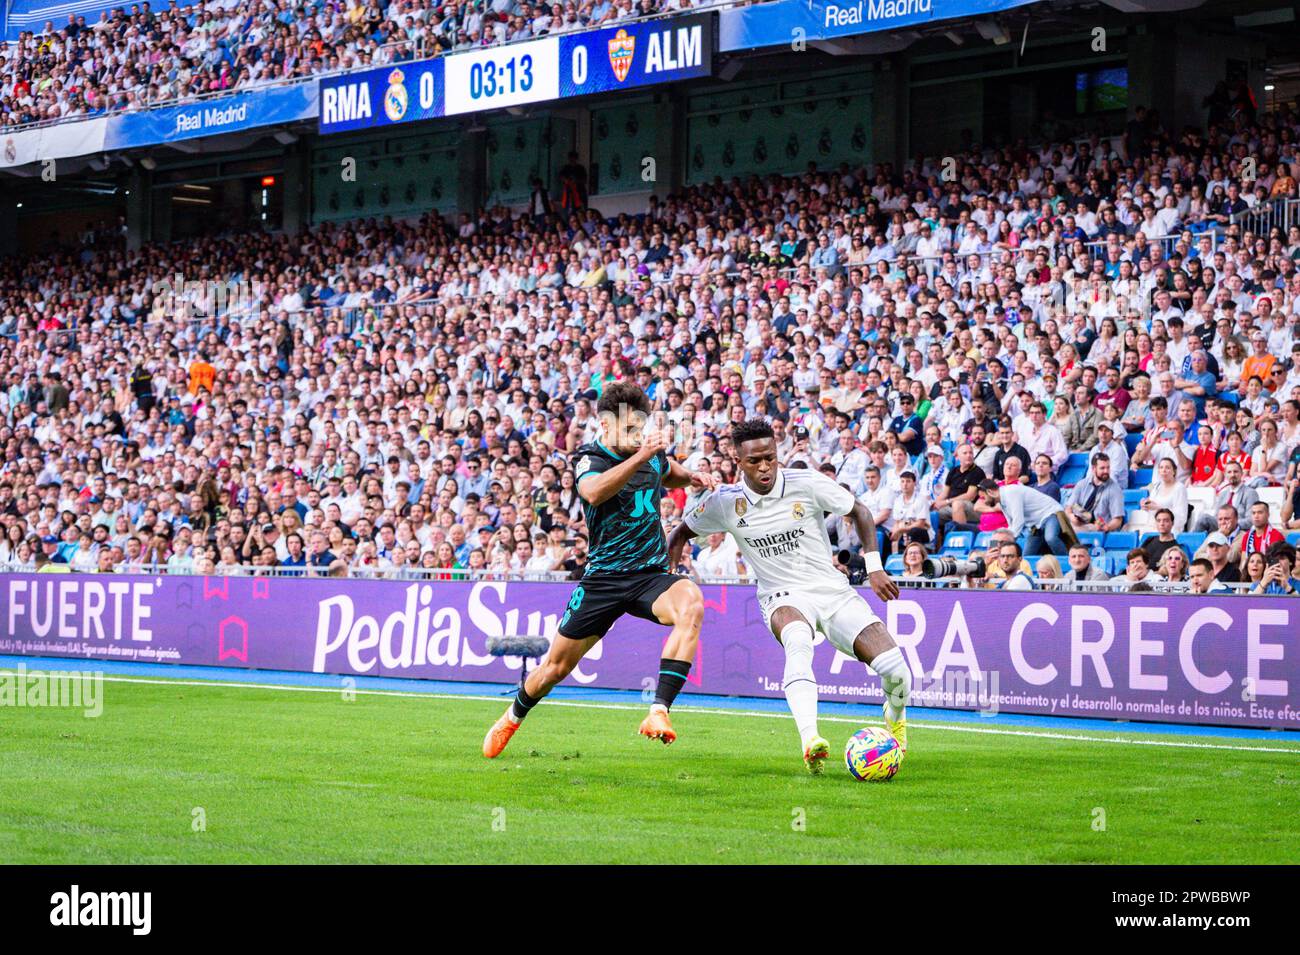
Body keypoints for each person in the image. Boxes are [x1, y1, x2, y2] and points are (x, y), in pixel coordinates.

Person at [483, 381, 718, 759]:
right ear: (605, 426)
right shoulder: (590, 459)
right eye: (628, 430)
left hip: (650, 576)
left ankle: (658, 711)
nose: (637, 436)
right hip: (602, 581)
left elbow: (667, 470)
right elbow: (594, 492)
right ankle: (512, 716)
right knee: (554, 670)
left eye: (640, 428)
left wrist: (692, 476)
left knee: (691, 602)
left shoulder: (650, 457)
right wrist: (641, 456)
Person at [667, 418, 911, 774]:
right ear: (738, 461)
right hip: (781, 596)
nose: (764, 466)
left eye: (770, 457)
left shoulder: (806, 482)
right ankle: (810, 740)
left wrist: (874, 567)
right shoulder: (724, 503)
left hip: (831, 591)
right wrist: (671, 576)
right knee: (798, 639)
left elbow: (858, 510)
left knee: (897, 671)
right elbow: (678, 534)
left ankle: (896, 717)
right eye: (754, 461)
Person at [975, 479, 1075, 557]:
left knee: (1051, 538)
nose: (984, 501)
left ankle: (1068, 562)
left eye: (984, 497)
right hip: (1036, 525)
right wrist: (1005, 540)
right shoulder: (1002, 501)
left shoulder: (1010, 492)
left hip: (1050, 513)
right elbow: (1011, 525)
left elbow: (1019, 521)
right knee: (1027, 556)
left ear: (990, 492)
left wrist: (1007, 543)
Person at [1064, 453, 1125, 534]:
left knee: (1070, 531)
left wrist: (1107, 527)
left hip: (1098, 528)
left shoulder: (1115, 489)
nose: (1106, 471)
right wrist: (1072, 517)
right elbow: (1068, 508)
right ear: (1093, 468)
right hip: (1079, 522)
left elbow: (1118, 520)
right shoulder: (1082, 484)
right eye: (1102, 468)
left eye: (1108, 467)